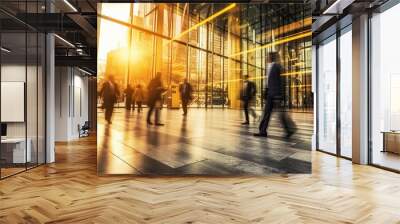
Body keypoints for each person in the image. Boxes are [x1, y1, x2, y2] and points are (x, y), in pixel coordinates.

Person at [254, 52, 296, 138]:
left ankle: (290, 130)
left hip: (276, 95)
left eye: (268, 56)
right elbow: (268, 82)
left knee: (280, 114)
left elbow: (282, 82)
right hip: (270, 94)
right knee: (266, 113)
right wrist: (266, 92)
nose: (266, 57)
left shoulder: (277, 66)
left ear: (271, 57)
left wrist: (280, 95)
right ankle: (262, 131)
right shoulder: (268, 67)